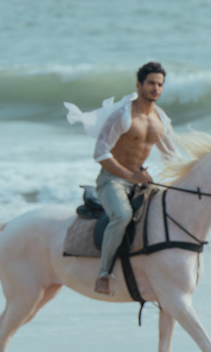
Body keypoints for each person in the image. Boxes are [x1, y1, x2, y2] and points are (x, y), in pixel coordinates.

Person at [65, 62, 177, 295]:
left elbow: (171, 156)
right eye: (151, 83)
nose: (156, 88)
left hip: (140, 179)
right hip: (112, 179)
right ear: (139, 85)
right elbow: (100, 153)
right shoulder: (123, 116)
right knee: (122, 215)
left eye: (160, 84)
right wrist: (131, 176)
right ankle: (104, 273)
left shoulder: (160, 120)